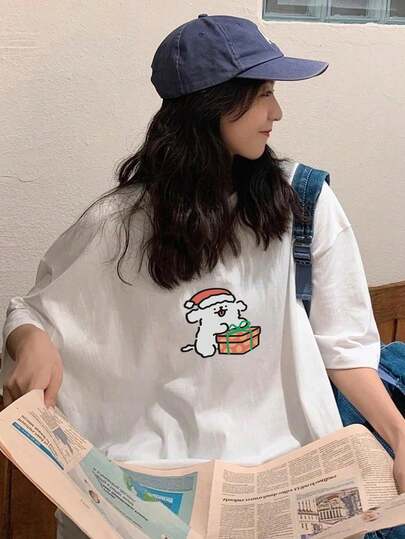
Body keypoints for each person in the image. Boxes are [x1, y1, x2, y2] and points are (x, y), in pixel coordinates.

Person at [2, 13, 405, 539]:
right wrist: (28, 340)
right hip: (148, 475)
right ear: (210, 106)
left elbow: (344, 346)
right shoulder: (118, 223)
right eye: (262, 94)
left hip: (287, 467)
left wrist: (400, 435)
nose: (277, 112)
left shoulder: (303, 205)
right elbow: (32, 310)